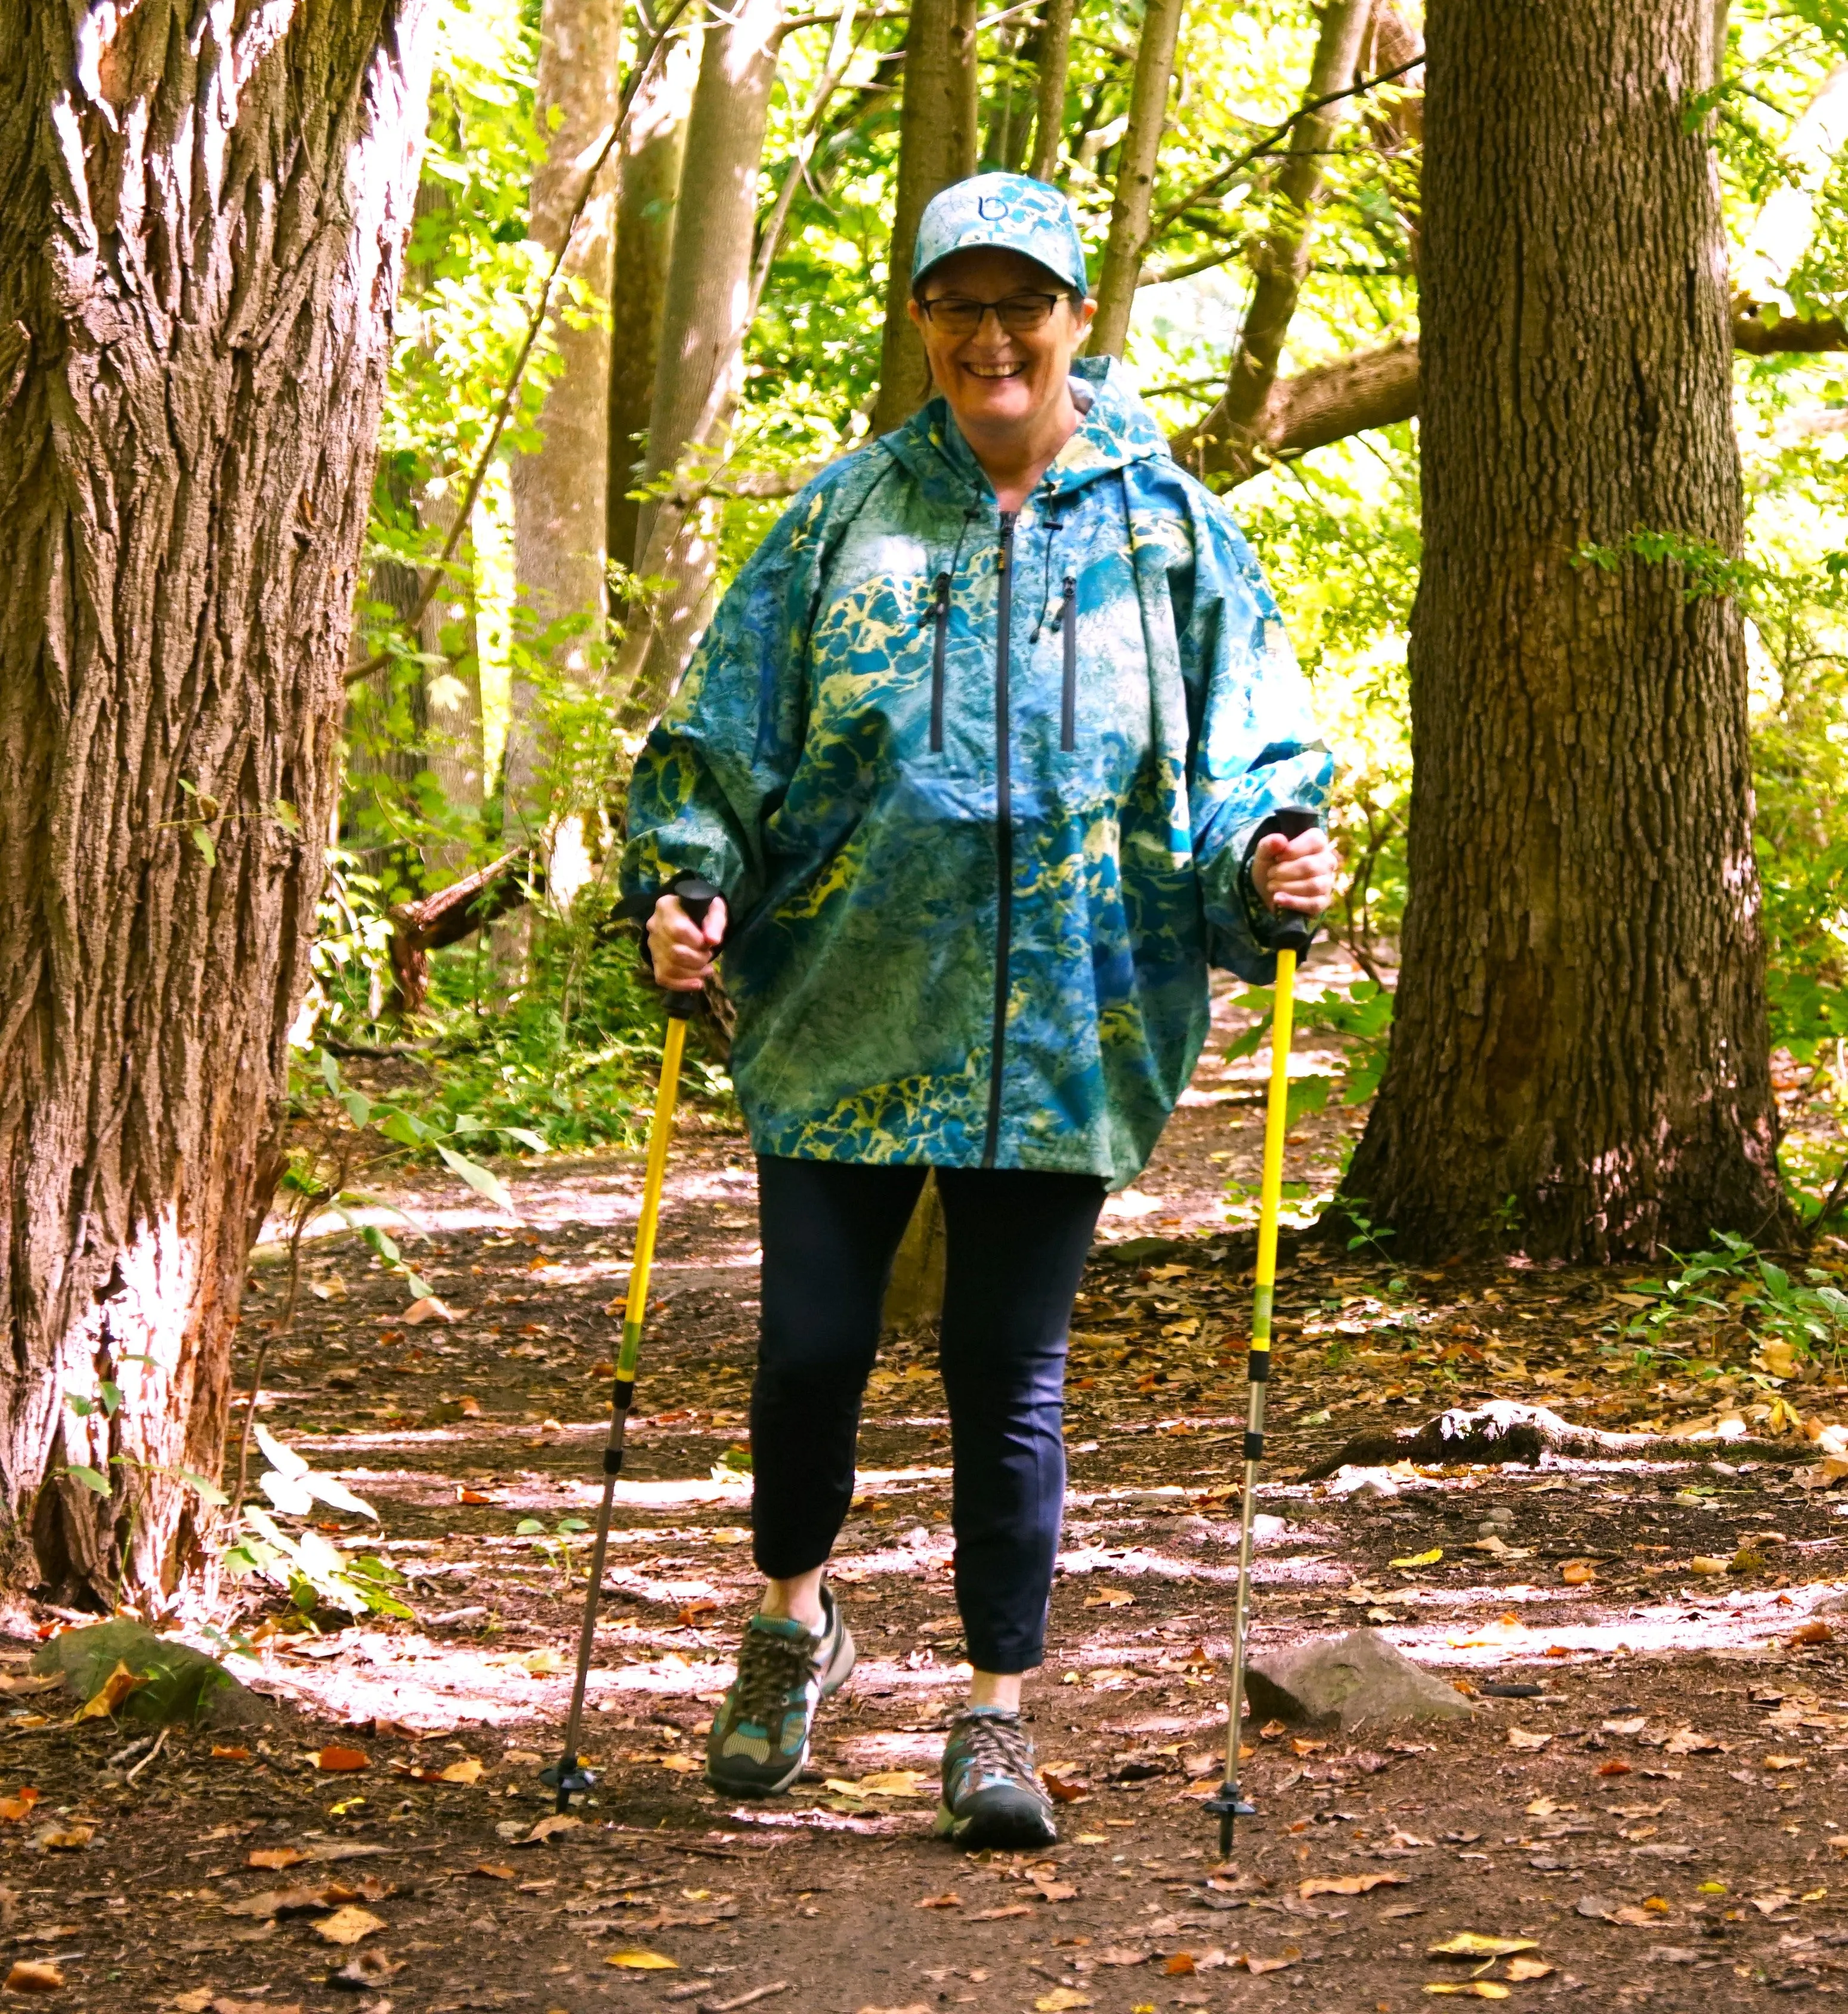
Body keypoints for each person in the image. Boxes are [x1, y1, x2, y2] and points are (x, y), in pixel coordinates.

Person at [620, 171, 1337, 1850]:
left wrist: (1268, 866)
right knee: (810, 1356)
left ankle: (997, 1720)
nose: (993, 335)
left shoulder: (1170, 529)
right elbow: (720, 747)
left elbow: (1252, 766)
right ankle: (791, 1626)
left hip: (1068, 1029)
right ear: (925, 322)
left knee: (1008, 1380)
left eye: (1026, 304)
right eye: (961, 305)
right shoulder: (840, 519)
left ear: (1080, 317)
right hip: (841, 1018)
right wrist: (684, 877)